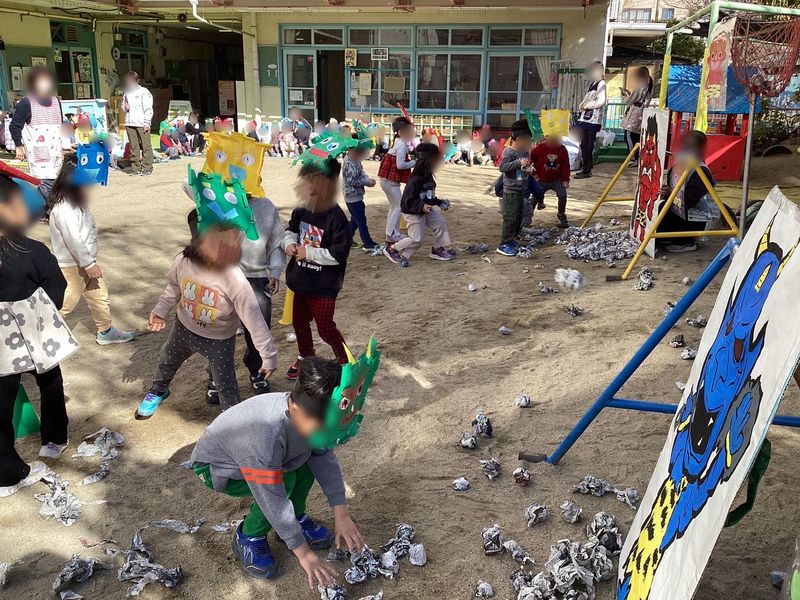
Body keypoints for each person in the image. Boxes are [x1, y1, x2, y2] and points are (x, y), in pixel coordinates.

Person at [189, 357, 365, 584]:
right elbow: (271, 498)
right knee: (286, 480)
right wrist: (304, 554)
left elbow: (323, 457)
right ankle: (249, 536)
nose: (325, 434)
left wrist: (342, 514)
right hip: (219, 467)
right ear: (295, 409)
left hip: (270, 459)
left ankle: (296, 518)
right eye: (322, 429)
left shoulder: (308, 416)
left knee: (307, 460)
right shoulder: (266, 436)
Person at [136, 225, 278, 419]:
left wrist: (268, 355)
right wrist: (160, 311)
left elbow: (254, 319)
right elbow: (174, 288)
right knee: (167, 360)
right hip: (183, 329)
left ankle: (230, 420)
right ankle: (158, 389)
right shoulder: (183, 261)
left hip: (219, 340)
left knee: (225, 384)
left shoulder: (235, 279)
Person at [0, 166, 80, 496]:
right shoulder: (31, 251)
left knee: (2, 399)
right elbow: (57, 289)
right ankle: (54, 439)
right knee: (50, 382)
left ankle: (5, 470)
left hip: (2, 348)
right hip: (34, 334)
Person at [49, 155, 136, 346]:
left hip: (87, 261)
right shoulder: (64, 209)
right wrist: (88, 264)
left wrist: (90, 261)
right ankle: (43, 332)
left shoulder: (78, 204)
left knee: (99, 297)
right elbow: (73, 240)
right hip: (72, 265)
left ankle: (105, 330)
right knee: (67, 302)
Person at [282, 158, 352, 380]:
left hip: (323, 287)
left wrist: (310, 253)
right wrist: (289, 244)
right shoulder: (303, 208)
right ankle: (306, 357)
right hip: (301, 281)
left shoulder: (336, 217)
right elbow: (291, 230)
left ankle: (346, 362)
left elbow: (339, 255)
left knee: (326, 328)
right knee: (299, 324)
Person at [384, 143, 453, 267]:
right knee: (416, 238)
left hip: (425, 210)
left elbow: (428, 196)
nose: (439, 162)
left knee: (440, 223)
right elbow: (407, 201)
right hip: (412, 212)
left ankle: (437, 249)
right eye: (436, 159)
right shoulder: (415, 179)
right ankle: (392, 248)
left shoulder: (428, 176)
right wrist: (421, 206)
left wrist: (439, 202)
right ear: (428, 160)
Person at [657, 130, 721, 253]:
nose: (685, 150)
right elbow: (672, 190)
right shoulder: (678, 166)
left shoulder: (701, 171)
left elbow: (688, 200)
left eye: (691, 147)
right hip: (686, 208)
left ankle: (685, 242)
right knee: (661, 208)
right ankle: (665, 237)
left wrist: (670, 193)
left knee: (669, 215)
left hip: (703, 215)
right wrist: (666, 191)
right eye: (684, 146)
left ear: (700, 150)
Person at [9, 67, 63, 200]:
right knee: (46, 183)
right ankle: (45, 207)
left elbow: (60, 125)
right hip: (39, 151)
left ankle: (47, 206)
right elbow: (15, 125)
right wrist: (19, 146)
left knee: (58, 182)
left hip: (56, 151)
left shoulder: (56, 101)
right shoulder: (27, 102)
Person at [496, 119, 533, 256]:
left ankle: (512, 238)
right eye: (527, 141)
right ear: (518, 139)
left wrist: (528, 169)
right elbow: (503, 167)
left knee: (518, 217)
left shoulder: (525, 152)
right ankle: (504, 243)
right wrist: (518, 163)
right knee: (510, 218)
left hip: (521, 189)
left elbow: (522, 169)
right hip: (510, 191)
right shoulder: (509, 152)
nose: (528, 144)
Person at [377, 117, 416, 243]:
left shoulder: (399, 142)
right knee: (398, 206)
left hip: (387, 181)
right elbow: (400, 165)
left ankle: (392, 233)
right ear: (400, 132)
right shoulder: (401, 145)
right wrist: (415, 162)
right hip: (389, 182)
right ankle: (391, 234)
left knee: (394, 206)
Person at [342, 137, 379, 251]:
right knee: (361, 220)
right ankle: (368, 243)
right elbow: (351, 181)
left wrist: (367, 179)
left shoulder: (355, 160)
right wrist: (366, 182)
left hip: (356, 195)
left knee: (356, 219)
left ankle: (345, 239)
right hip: (351, 196)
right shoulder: (348, 162)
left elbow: (361, 172)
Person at [529, 133, 572, 228]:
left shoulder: (562, 149)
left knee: (562, 195)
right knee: (534, 198)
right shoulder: (539, 148)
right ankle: (527, 217)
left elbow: (566, 165)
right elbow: (531, 161)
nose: (555, 141)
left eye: (556, 138)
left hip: (557, 179)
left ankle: (561, 215)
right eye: (552, 139)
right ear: (546, 137)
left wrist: (566, 179)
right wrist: (534, 174)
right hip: (541, 179)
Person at [575, 61, 607, 180]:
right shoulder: (593, 84)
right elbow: (587, 99)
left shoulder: (602, 83)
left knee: (588, 146)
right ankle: (586, 168)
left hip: (592, 120)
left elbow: (601, 101)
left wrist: (587, 105)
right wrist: (582, 105)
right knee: (584, 145)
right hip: (586, 119)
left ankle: (587, 170)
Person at [121, 71, 154, 176]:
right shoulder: (126, 92)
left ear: (137, 81)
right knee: (133, 147)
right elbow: (123, 106)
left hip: (141, 122)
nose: (129, 83)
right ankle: (135, 168)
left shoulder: (144, 92)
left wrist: (147, 122)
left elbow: (148, 108)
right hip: (129, 122)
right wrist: (125, 107)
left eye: (131, 81)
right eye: (128, 81)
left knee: (146, 146)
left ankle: (147, 167)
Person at [620, 66, 654, 166]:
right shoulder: (649, 86)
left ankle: (633, 158)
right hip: (641, 113)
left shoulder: (641, 86)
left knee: (629, 135)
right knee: (636, 136)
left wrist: (624, 95)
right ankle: (637, 158)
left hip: (635, 113)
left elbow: (630, 100)